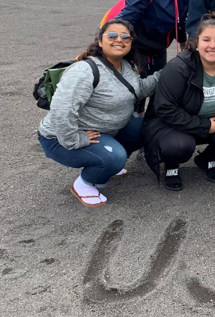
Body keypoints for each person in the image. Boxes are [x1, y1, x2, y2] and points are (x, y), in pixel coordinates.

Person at [38, 19, 159, 207]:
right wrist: (75, 139)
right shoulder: (85, 70)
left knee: (146, 127)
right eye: (112, 35)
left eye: (125, 37)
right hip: (59, 138)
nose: (119, 39)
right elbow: (62, 110)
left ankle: (107, 166)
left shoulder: (125, 66)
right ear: (100, 41)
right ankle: (84, 184)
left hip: (101, 131)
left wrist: (164, 75)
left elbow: (138, 90)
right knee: (115, 157)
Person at [142, 13, 215, 191]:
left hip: (212, 122)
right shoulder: (178, 68)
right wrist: (204, 125)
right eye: (206, 39)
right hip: (172, 125)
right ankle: (172, 167)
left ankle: (205, 159)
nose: (212, 45)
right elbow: (165, 109)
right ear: (197, 43)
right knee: (179, 146)